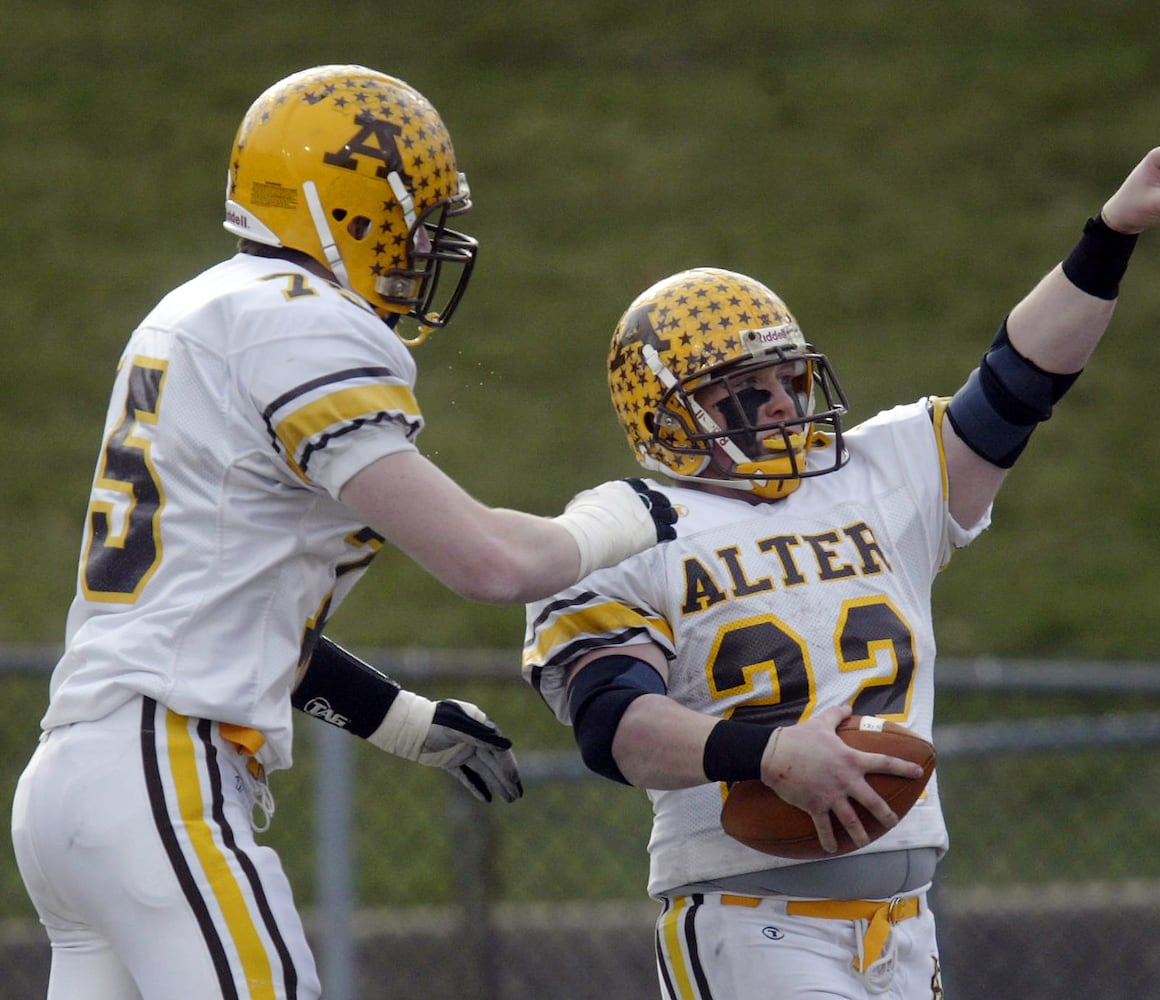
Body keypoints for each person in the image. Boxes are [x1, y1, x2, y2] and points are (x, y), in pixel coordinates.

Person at [10, 64, 676, 1000]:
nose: (422, 247)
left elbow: (223, 606)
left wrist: (398, 721)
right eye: (413, 218)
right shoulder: (302, 325)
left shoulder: (199, 309)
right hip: (161, 774)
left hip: (75, 782)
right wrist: (623, 516)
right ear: (348, 206)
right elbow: (488, 561)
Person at [521, 118, 1160, 999]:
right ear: (669, 417)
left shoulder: (875, 473)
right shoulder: (625, 525)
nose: (781, 405)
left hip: (906, 927)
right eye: (745, 391)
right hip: (752, 922)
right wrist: (765, 756)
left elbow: (1022, 380)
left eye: (787, 380)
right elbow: (614, 724)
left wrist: (1111, 234)